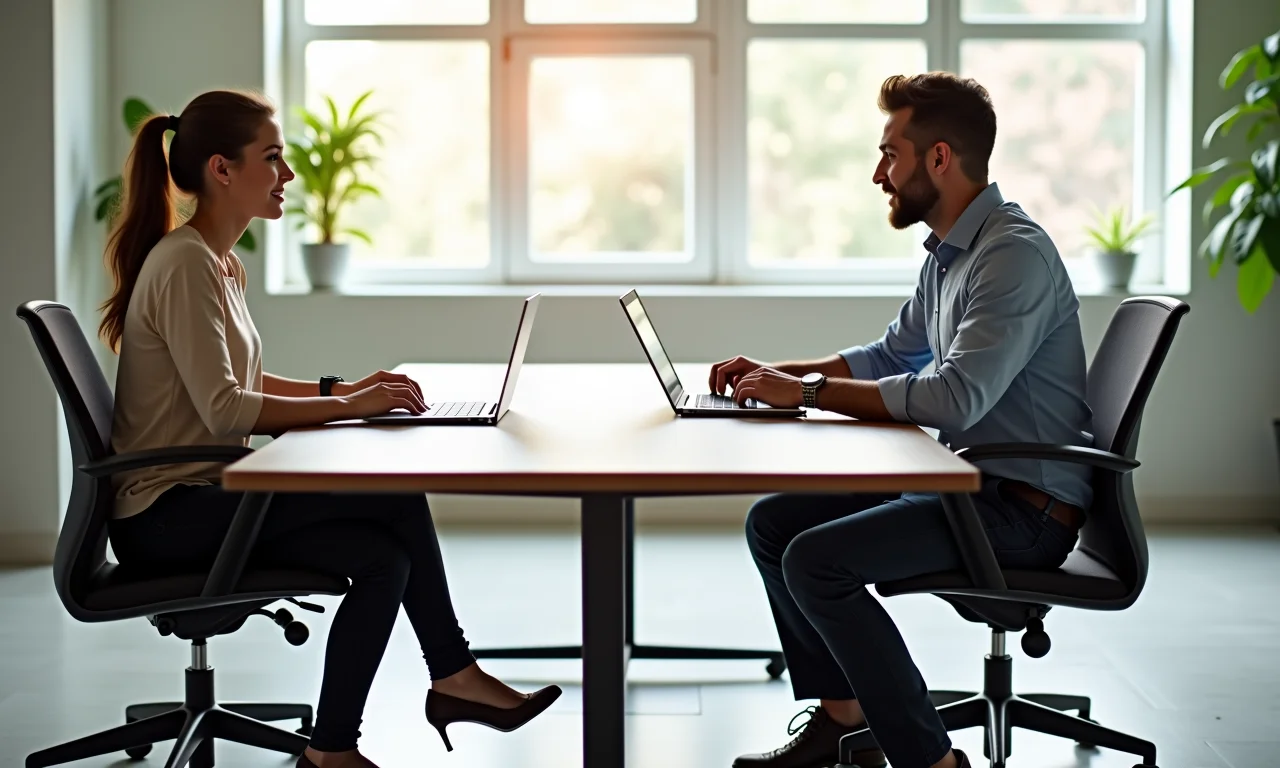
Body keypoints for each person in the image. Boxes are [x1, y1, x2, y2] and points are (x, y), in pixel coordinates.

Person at [100, 90, 560, 768]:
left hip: (201, 498)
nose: (287, 175)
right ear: (222, 169)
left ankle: (334, 749)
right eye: (272, 158)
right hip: (165, 517)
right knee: (394, 497)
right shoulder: (185, 263)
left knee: (384, 558)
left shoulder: (220, 263)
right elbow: (227, 408)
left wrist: (340, 392)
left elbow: (238, 381)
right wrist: (352, 406)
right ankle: (454, 676)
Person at [710, 72, 1093, 768]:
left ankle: (932, 762)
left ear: (938, 158)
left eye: (890, 154)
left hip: (1020, 512)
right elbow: (890, 354)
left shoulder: (1011, 256)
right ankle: (842, 724)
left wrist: (806, 394)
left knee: (816, 562)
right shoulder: (952, 253)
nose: (878, 174)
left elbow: (954, 398)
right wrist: (774, 375)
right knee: (774, 523)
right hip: (969, 485)